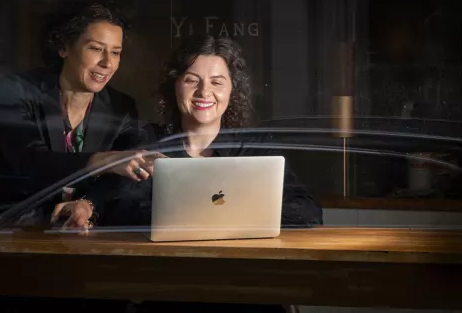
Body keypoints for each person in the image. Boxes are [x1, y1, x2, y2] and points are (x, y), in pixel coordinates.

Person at [53, 35, 322, 312]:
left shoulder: (257, 148)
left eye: (217, 82)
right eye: (192, 80)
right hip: (166, 289)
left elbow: (308, 211)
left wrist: (242, 215)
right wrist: (87, 207)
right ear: (175, 86)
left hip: (245, 287)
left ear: (232, 91)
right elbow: (109, 197)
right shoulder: (146, 140)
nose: (204, 92)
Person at [0, 1, 160, 218]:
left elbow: (121, 179)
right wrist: (102, 160)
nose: (107, 63)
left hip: (81, 232)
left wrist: (88, 204)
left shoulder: (120, 107)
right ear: (64, 47)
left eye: (115, 52)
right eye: (95, 49)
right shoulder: (15, 91)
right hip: (15, 230)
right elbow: (29, 161)